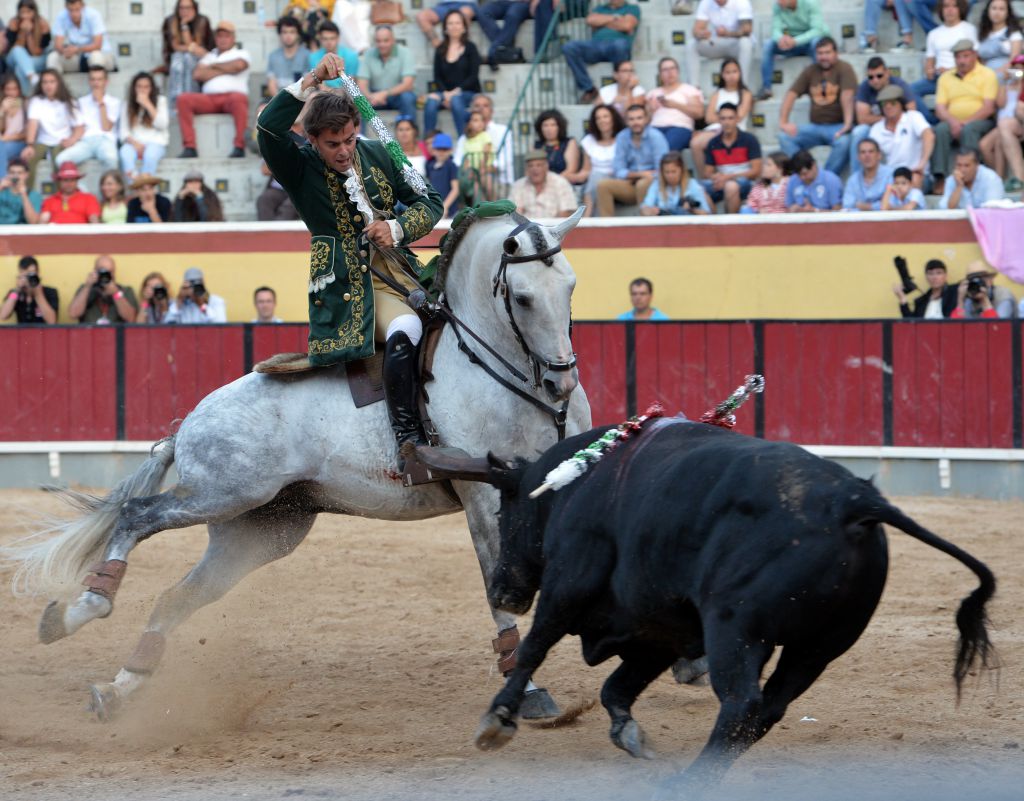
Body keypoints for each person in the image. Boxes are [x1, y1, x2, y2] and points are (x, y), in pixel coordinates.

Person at [257, 52, 445, 470]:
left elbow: (431, 200)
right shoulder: (299, 167)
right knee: (407, 325)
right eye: (331, 144)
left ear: (357, 129)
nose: (343, 151)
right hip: (353, 283)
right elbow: (267, 127)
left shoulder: (380, 153)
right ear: (312, 141)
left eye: (348, 140)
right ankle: (409, 440)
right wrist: (311, 79)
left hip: (403, 268)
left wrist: (396, 228)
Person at [777, 37, 857, 176]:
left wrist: (847, 124)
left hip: (837, 126)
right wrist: (783, 122)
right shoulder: (811, 70)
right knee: (784, 137)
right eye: (820, 53)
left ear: (836, 53)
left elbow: (847, 96)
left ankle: (824, 177)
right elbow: (791, 94)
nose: (823, 57)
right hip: (814, 127)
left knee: (845, 142)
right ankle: (808, 168)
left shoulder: (844, 68)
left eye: (827, 53)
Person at [176, 20, 251, 159]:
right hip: (209, 99)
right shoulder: (209, 55)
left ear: (233, 38)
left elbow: (239, 66)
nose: (222, 39)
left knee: (239, 99)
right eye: (219, 36)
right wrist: (227, 68)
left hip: (232, 98)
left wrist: (212, 67)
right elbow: (198, 74)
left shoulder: (241, 53)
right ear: (215, 38)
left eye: (226, 36)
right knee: (183, 99)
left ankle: (239, 146)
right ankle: (189, 147)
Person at [930, 40, 998, 184]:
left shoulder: (987, 74)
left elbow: (988, 108)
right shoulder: (945, 77)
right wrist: (953, 122)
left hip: (981, 121)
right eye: (958, 57)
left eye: (966, 56)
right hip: (953, 121)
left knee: (969, 129)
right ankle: (940, 177)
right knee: (941, 129)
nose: (962, 61)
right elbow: (940, 108)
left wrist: (963, 123)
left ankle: (972, 176)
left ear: (974, 55)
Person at [911, 0, 978, 124]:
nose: (950, 10)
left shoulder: (968, 29)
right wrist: (930, 70)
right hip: (938, 78)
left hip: (961, 76)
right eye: (946, 6)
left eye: (954, 6)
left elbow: (975, 59)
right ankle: (931, 122)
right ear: (941, 9)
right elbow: (929, 60)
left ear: (960, 9)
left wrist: (951, 71)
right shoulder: (934, 33)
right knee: (910, 90)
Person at [597, 103, 669, 216]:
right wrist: (640, 174)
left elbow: (663, 171)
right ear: (626, 121)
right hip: (631, 184)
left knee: (643, 183)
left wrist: (641, 176)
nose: (636, 122)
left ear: (646, 119)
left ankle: (644, 226)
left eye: (639, 118)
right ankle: (607, 227)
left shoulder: (656, 137)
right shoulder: (622, 137)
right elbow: (618, 169)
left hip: (654, 187)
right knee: (603, 185)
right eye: (631, 119)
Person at [563, 0, 641, 104]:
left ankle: (619, 87)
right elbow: (590, 20)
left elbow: (627, 25)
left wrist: (602, 22)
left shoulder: (632, 8)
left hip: (616, 45)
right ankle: (589, 89)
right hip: (595, 45)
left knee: (620, 45)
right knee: (569, 47)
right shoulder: (599, 8)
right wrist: (616, 18)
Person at [689, 57, 754, 180]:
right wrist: (726, 119)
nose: (731, 76)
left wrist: (722, 118)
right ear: (722, 75)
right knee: (695, 143)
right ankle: (705, 180)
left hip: (735, 130)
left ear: (740, 73)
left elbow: (739, 116)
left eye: (734, 72)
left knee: (698, 141)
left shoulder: (746, 94)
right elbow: (708, 118)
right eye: (727, 72)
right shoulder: (718, 93)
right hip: (714, 130)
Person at [850, 57, 920, 164]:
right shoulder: (865, 87)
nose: (875, 80)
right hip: (876, 128)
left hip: (899, 125)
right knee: (859, 131)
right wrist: (888, 118)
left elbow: (911, 110)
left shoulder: (899, 85)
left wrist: (893, 120)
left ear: (887, 73)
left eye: (879, 76)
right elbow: (862, 119)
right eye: (871, 77)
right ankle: (858, 177)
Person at [422, 11, 481, 136]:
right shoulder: (440, 49)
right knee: (431, 102)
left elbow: (473, 76)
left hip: (467, 92)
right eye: (450, 23)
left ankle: (463, 140)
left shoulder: (471, 48)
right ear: (445, 28)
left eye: (457, 23)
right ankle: (428, 141)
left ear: (464, 27)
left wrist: (454, 93)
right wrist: (445, 93)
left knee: (456, 100)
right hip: (445, 93)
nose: (454, 26)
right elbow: (437, 77)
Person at [20, 68, 81, 189]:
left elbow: (79, 127)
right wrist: (30, 145)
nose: (48, 85)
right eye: (45, 82)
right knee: (28, 160)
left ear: (59, 83)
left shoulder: (69, 101)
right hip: (42, 141)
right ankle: (27, 196)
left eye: (52, 81)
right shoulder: (36, 101)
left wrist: (72, 140)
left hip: (62, 141)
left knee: (60, 162)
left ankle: (61, 200)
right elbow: (33, 123)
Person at [758, 0, 829, 101]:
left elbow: (817, 30)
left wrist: (795, 41)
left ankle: (821, 84)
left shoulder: (811, 3)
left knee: (817, 43)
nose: (778, 1)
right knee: (768, 45)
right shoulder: (778, 6)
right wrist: (781, 39)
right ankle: (766, 88)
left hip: (809, 42)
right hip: (791, 43)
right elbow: (775, 30)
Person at [54, 64, 117, 171]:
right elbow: (79, 127)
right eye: (93, 79)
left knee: (111, 159)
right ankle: (79, 188)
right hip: (85, 141)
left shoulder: (114, 102)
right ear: (89, 81)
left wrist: (101, 103)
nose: (96, 83)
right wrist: (72, 139)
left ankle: (110, 187)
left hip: (105, 140)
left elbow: (106, 127)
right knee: (61, 159)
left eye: (99, 79)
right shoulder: (81, 102)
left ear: (106, 82)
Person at [869, 84, 934, 189]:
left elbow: (929, 135)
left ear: (901, 104)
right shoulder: (876, 129)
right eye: (884, 103)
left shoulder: (913, 117)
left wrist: (922, 164)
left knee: (914, 180)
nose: (888, 106)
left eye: (892, 102)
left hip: (916, 174)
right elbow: (872, 155)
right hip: (891, 178)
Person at [701, 102, 761, 212]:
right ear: (719, 120)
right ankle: (713, 222)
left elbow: (756, 171)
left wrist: (728, 177)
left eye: (730, 118)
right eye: (723, 119)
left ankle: (731, 224)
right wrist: (717, 178)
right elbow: (707, 173)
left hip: (744, 183)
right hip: (721, 182)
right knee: (696, 189)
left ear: (737, 119)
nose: (726, 122)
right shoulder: (713, 143)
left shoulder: (750, 140)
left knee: (731, 186)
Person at [685, 0, 754, 88]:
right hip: (718, 42)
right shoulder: (706, 2)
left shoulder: (741, 2)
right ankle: (694, 88)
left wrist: (727, 33)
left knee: (746, 43)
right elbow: (696, 30)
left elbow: (747, 30)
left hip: (736, 43)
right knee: (692, 44)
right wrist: (701, 34)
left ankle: (742, 87)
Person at [161, 0, 215, 111]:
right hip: (176, 59)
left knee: (188, 58)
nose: (185, 11)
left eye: (188, 8)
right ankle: (176, 104)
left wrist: (192, 48)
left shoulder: (202, 21)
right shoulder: (171, 21)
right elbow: (175, 47)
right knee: (180, 58)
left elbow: (206, 50)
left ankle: (191, 101)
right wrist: (184, 26)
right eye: (182, 8)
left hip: (201, 60)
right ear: (177, 9)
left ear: (194, 8)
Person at [356, 25, 417, 122]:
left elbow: (408, 84)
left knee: (408, 98)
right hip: (374, 95)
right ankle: (359, 136)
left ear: (393, 40)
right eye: (378, 41)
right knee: (360, 101)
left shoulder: (406, 53)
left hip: (397, 95)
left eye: (385, 40)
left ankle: (410, 132)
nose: (382, 44)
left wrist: (384, 94)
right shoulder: (368, 54)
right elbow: (362, 82)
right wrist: (370, 96)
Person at [453, 94, 513, 190]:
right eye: (477, 106)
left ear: (491, 111)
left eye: (485, 105)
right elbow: (457, 161)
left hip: (499, 181)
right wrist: (468, 170)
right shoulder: (464, 138)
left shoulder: (503, 131)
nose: (481, 108)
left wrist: (482, 171)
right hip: (471, 180)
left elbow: (504, 161)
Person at [645, 56, 704, 152]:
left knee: (666, 149)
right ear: (660, 74)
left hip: (680, 127)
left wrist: (675, 105)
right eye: (665, 70)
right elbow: (644, 119)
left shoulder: (689, 90)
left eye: (672, 68)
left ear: (678, 71)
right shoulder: (653, 93)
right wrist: (651, 110)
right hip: (655, 127)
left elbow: (699, 113)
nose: (669, 72)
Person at [119, 72, 170, 180]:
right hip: (134, 143)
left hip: (156, 143)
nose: (142, 90)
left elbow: (162, 124)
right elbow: (123, 131)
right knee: (125, 153)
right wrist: (135, 143)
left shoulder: (161, 101)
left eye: (146, 87)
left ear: (152, 88)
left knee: (150, 156)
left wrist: (147, 104)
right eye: (139, 87)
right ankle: (134, 184)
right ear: (134, 88)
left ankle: (145, 184)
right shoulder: (127, 104)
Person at [578, 103, 625, 215]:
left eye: (605, 116)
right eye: (598, 118)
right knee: (595, 177)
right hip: (594, 180)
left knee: (597, 178)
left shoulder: (623, 138)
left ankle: (586, 217)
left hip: (617, 179)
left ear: (613, 118)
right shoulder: (589, 140)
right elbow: (586, 170)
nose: (601, 120)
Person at [46, 0, 114, 75]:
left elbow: (98, 45)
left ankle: (97, 86)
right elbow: (58, 45)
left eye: (77, 9)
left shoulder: (93, 15)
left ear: (83, 7)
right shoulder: (61, 16)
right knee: (53, 57)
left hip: (102, 55)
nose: (74, 14)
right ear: (66, 7)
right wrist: (65, 50)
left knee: (95, 56)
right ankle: (54, 86)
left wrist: (77, 49)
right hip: (78, 56)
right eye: (70, 10)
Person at [67, 254, 138, 323]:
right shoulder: (85, 289)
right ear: (95, 271)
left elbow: (131, 318)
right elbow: (73, 314)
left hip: (116, 334)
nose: (105, 275)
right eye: (102, 271)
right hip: (89, 333)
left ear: (114, 273)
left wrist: (116, 293)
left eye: (109, 272)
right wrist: (87, 286)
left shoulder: (125, 290)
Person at [509, 148, 576, 218]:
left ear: (546, 167)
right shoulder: (518, 185)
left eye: (539, 165)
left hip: (554, 226)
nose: (534, 169)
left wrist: (551, 227)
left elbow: (567, 211)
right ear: (526, 169)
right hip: (525, 227)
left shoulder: (560, 182)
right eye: (530, 166)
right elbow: (514, 214)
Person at [642, 150, 711, 215]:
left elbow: (706, 214)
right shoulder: (656, 184)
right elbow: (645, 207)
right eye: (667, 172)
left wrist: (691, 209)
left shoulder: (692, 185)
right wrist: (650, 211)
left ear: (681, 170)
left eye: (673, 171)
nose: (670, 175)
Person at [4, 0, 51, 95]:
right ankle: (32, 77)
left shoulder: (42, 24)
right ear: (18, 12)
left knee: (20, 68)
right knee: (18, 50)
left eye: (28, 12)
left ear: (34, 12)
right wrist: (22, 32)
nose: (25, 16)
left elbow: (36, 52)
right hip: (13, 58)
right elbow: (14, 49)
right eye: (22, 12)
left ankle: (26, 97)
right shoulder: (14, 23)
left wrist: (29, 33)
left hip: (36, 59)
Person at [0, 255, 57, 323]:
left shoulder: (50, 292)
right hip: (21, 333)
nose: (28, 278)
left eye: (31, 274)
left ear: (38, 274)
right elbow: (3, 316)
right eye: (25, 275)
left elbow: (52, 321)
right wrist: (17, 290)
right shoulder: (15, 294)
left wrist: (38, 293)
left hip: (42, 333)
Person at [893, 258, 958, 318]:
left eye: (939, 273)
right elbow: (911, 323)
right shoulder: (921, 301)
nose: (934, 277)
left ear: (945, 275)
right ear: (926, 277)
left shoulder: (954, 292)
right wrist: (902, 298)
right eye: (930, 274)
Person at [533, 108, 584, 183]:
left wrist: (550, 183)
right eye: (545, 125)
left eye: (553, 125)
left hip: (562, 184)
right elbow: (530, 170)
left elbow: (571, 170)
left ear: (559, 127)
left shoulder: (569, 142)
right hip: (539, 185)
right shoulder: (536, 145)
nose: (549, 129)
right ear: (540, 128)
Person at [842, 138, 892, 211]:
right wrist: (877, 205)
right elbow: (847, 206)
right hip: (858, 221)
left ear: (879, 155)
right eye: (863, 152)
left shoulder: (890, 175)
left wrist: (866, 207)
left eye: (871, 151)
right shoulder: (853, 180)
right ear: (858, 157)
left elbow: (892, 204)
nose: (867, 155)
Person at [477, 0, 531, 68]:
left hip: (521, 3)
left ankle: (493, 52)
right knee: (482, 12)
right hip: (499, 2)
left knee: (512, 14)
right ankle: (505, 49)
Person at [951, 262, 1017, 318]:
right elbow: (955, 328)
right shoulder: (969, 297)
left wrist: (984, 301)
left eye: (980, 279)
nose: (976, 283)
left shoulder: (1003, 295)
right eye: (972, 279)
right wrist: (960, 301)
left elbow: (998, 328)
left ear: (990, 280)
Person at [266, 15, 310, 98]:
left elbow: (308, 84)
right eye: (285, 32)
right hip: (278, 100)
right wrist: (279, 102)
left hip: (301, 99)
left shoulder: (307, 55)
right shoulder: (273, 56)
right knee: (261, 108)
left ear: (298, 34)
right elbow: (271, 83)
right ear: (280, 34)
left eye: (292, 32)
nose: (288, 36)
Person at [308, 20, 359, 90]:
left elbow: (350, 85)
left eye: (332, 38)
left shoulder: (351, 56)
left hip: (346, 95)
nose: (329, 42)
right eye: (325, 39)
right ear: (320, 39)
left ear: (338, 38)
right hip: (323, 95)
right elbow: (321, 86)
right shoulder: (313, 57)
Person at [977, 0, 1022, 78]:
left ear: (1008, 12)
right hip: (983, 77)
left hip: (1005, 77)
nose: (997, 12)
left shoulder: (1014, 34)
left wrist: (995, 73)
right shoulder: (982, 33)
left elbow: (1014, 60)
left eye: (1001, 9)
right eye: (994, 8)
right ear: (988, 11)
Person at [459, 109, 494, 203]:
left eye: (481, 120)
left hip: (484, 169)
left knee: (488, 187)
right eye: (475, 120)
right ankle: (483, 207)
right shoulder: (466, 140)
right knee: (476, 191)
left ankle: (494, 204)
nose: (479, 123)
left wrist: (481, 168)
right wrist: (468, 170)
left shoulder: (484, 135)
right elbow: (466, 158)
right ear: (469, 124)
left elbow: (486, 151)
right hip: (472, 172)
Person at [426, 131, 460, 217]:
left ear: (450, 150)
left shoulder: (451, 165)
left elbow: (455, 189)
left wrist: (445, 206)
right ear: (433, 150)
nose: (441, 152)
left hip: (449, 209)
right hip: (435, 207)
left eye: (445, 149)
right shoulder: (430, 165)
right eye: (438, 149)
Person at [0, 72, 28, 174]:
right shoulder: (2, 104)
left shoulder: (25, 103)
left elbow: (27, 133)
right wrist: (2, 111)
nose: (12, 93)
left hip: (19, 142)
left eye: (15, 89)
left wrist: (7, 138)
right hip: (3, 141)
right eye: (8, 89)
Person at [0, 156, 41, 223]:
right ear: (7, 174)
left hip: (21, 231)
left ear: (26, 175)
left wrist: (24, 195)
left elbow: (33, 221)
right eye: (12, 173)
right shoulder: (2, 191)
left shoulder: (34, 195)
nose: (16, 176)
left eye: (19, 173)